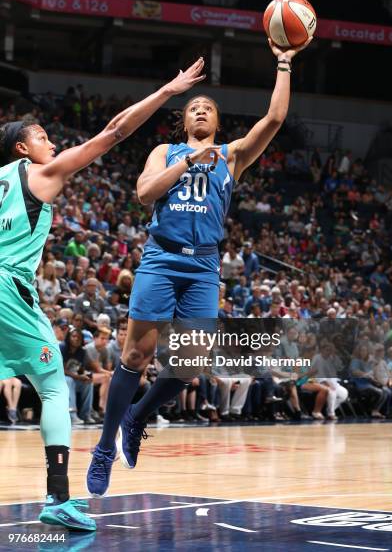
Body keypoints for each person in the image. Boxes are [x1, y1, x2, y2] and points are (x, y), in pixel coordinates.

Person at [87, 37, 312, 496]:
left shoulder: (233, 156)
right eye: (195, 108)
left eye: (208, 107)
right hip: (162, 257)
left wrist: (284, 62)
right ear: (184, 120)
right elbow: (145, 194)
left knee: (191, 365)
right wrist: (190, 160)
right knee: (135, 357)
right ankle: (104, 448)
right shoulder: (166, 152)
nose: (202, 111)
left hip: (204, 266)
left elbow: (274, 118)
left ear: (218, 122)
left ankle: (138, 416)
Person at [0, 57, 205, 529]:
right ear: (22, 149)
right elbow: (111, 134)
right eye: (44, 138)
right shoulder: (39, 175)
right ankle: (58, 498)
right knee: (52, 386)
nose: (52, 144)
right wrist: (166, 92)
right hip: (10, 288)